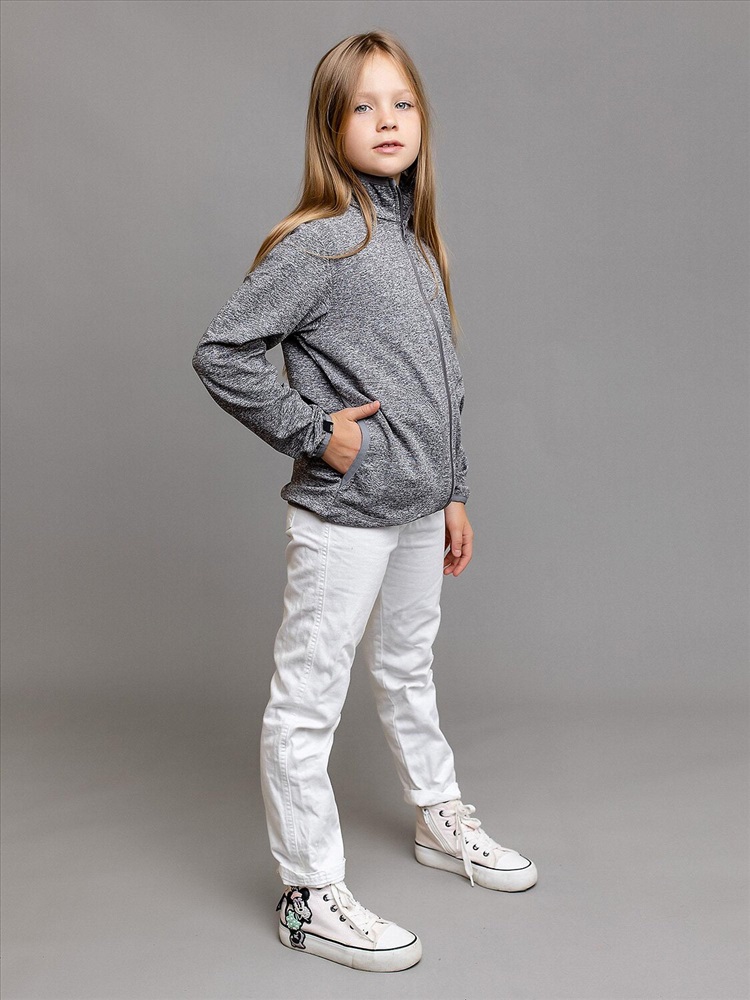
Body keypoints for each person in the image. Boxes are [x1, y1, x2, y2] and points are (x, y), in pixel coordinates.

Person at [192, 30, 538, 974]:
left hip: (420, 510)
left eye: (403, 103)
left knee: (407, 667)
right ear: (330, 127)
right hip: (344, 514)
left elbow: (442, 386)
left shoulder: (416, 244)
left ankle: (436, 816)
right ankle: (308, 894)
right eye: (363, 106)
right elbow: (223, 353)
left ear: (422, 120)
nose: (388, 121)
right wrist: (315, 432)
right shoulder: (320, 243)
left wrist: (453, 491)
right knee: (308, 698)